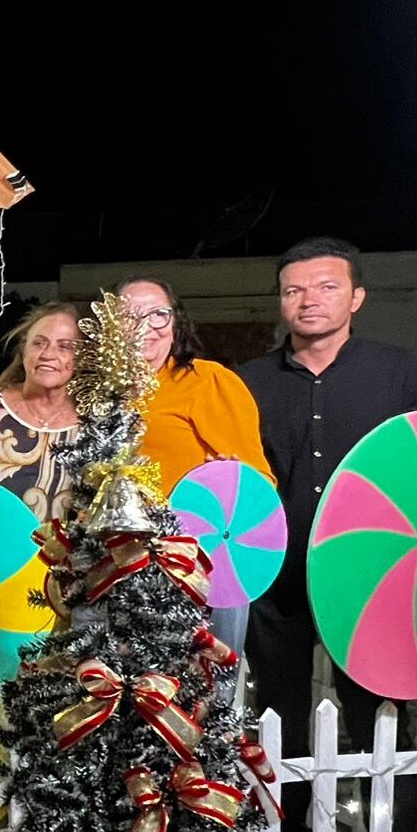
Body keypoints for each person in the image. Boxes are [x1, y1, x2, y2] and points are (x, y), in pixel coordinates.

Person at [238, 237, 417, 832]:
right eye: (294, 289)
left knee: (382, 733)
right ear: (281, 301)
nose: (309, 300)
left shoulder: (403, 374)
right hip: (278, 585)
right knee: (283, 731)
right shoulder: (247, 383)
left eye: (326, 287)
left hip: (375, 592)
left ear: (356, 297)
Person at [117, 276, 272, 705]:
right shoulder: (102, 392)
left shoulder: (208, 381)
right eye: (130, 316)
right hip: (120, 566)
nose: (146, 326)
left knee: (204, 698)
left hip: (201, 566)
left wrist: (227, 480)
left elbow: (256, 483)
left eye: (158, 314)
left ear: (176, 322)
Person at [0, 302, 82, 521]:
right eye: (39, 343)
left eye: (65, 347)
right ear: (24, 350)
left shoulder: (96, 423)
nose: (48, 354)